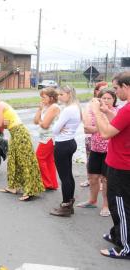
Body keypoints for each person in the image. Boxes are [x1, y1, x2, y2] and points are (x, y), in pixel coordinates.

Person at [92, 72, 130, 259]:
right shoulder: (126, 109)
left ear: (126, 86)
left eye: (116, 88)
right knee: (117, 205)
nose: (114, 92)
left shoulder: (128, 109)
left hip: (122, 166)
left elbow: (106, 133)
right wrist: (107, 112)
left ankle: (126, 247)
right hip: (119, 162)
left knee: (121, 206)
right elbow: (120, 121)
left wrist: (97, 113)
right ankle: (117, 234)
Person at [0, 91, 44, 201]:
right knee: (13, 161)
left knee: (25, 162)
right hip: (15, 133)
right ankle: (12, 187)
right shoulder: (0, 105)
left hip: (19, 133)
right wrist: (0, 121)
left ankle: (30, 191)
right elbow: (4, 124)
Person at [77, 89, 118, 217]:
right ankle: (92, 200)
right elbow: (86, 128)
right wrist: (100, 127)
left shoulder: (115, 112)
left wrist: (97, 128)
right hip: (95, 149)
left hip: (109, 151)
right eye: (103, 98)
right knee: (93, 177)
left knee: (106, 180)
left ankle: (106, 205)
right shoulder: (94, 111)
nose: (105, 101)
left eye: (109, 98)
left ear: (114, 100)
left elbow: (110, 129)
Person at [49, 86, 82, 217]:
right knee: (68, 175)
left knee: (64, 177)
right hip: (70, 142)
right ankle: (69, 202)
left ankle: (65, 205)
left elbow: (55, 130)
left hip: (62, 144)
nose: (59, 97)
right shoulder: (77, 107)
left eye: (61, 94)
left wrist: (58, 125)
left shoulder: (68, 109)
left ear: (69, 94)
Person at [81, 81, 109, 188]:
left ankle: (103, 181)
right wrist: (102, 127)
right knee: (90, 160)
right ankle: (90, 180)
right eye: (102, 90)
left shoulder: (109, 106)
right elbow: (86, 127)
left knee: (105, 163)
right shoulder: (90, 105)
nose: (105, 92)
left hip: (106, 140)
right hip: (92, 139)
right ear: (96, 91)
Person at [33, 87, 60, 190]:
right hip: (45, 136)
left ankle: (46, 183)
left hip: (49, 137)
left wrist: (41, 122)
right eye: (41, 97)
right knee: (49, 160)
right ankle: (52, 184)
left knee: (39, 158)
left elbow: (45, 125)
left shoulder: (54, 107)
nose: (42, 99)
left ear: (51, 98)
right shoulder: (45, 106)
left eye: (44, 97)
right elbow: (35, 121)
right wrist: (39, 109)